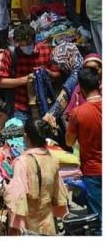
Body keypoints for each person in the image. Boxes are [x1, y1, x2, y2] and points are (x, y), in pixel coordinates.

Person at [4, 119, 69, 235]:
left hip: (29, 227)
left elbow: (16, 197)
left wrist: (5, 187)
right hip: (48, 225)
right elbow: (58, 192)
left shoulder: (22, 162)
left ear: (26, 136)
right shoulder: (52, 159)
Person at [0, 24, 58, 122]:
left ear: (34, 40)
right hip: (20, 107)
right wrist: (25, 80)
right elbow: (2, 82)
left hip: (44, 106)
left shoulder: (46, 50)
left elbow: (57, 74)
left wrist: (46, 73)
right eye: (22, 45)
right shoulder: (11, 54)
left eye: (28, 43)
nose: (26, 47)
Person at [66, 67, 102, 233]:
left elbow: (69, 141)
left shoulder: (78, 113)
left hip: (93, 170)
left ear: (79, 87)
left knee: (99, 219)